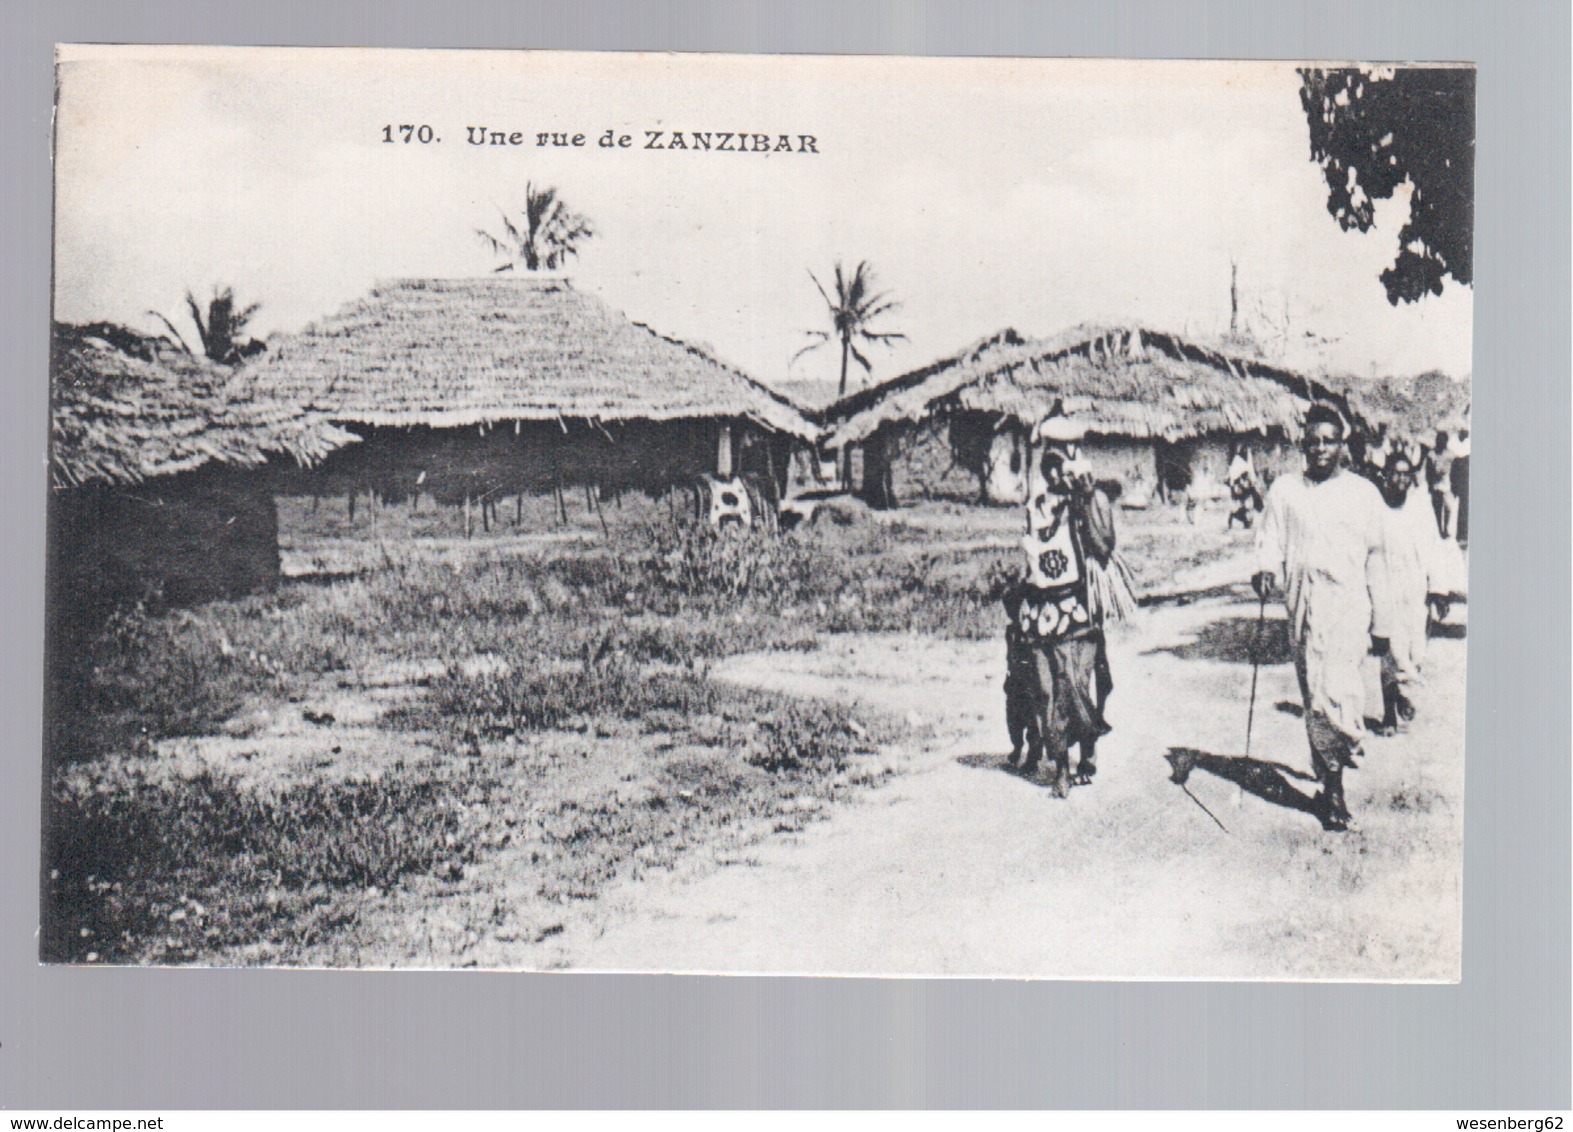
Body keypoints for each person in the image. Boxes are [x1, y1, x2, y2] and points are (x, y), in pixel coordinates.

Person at [1252, 404, 1386, 832]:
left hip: (1348, 608)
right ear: (1303, 444)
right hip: (1303, 607)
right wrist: (1265, 567)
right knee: (1315, 697)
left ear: (1342, 443)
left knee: (1339, 693)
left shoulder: (1363, 493)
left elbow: (1377, 560)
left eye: (1329, 440)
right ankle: (1332, 786)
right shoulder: (1285, 490)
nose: (1321, 448)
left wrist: (1381, 623)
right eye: (1313, 441)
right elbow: (1269, 536)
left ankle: (1335, 776)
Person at [1001, 418, 1111, 798]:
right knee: (1046, 692)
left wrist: (1087, 501)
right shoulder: (1035, 506)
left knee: (1076, 687)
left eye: (1059, 463)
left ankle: (1088, 744)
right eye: (1047, 465)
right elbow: (1031, 560)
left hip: (1076, 614)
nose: (1053, 472)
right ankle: (1061, 765)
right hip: (1039, 613)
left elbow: (1104, 547)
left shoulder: (1088, 500)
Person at [1370, 454, 1451, 735]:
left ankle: (1402, 694)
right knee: (1389, 655)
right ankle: (1389, 715)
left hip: (1415, 592)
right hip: (1385, 589)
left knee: (1415, 653)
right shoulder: (1375, 509)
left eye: (1406, 474)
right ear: (1385, 476)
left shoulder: (1420, 508)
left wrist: (1438, 589)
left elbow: (1433, 548)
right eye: (1395, 473)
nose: (1401, 479)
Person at [1426, 430, 1457, 540]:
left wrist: (1454, 485)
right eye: (1438, 440)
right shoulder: (1431, 454)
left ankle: (1446, 528)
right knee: (1437, 509)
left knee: (1449, 507)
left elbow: (1455, 470)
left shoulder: (1451, 454)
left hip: (1447, 484)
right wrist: (1430, 485)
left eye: (1443, 440)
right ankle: (1440, 530)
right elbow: (1428, 471)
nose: (1440, 442)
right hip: (1436, 485)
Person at [1226, 442, 1264, 529]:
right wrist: (1240, 482)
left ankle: (1246, 520)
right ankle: (1239, 519)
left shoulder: (1245, 463)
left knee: (1247, 505)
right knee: (1243, 507)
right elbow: (1234, 477)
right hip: (1239, 489)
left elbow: (1249, 474)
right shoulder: (1238, 461)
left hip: (1244, 489)